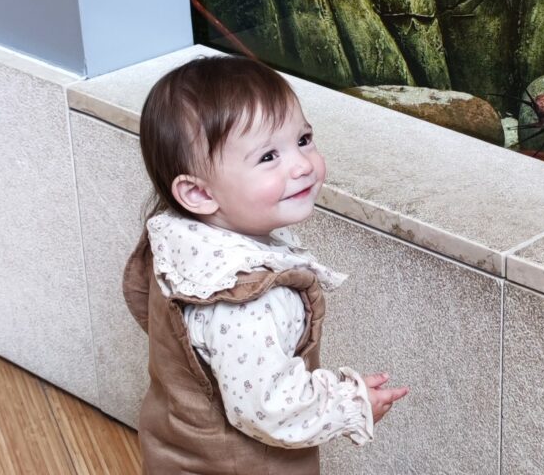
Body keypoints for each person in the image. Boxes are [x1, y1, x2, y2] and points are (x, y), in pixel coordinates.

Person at [122, 55, 409, 474]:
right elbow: (269, 410)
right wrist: (350, 404)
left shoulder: (179, 248)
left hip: (176, 450)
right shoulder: (246, 301)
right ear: (199, 195)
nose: (302, 164)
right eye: (268, 157)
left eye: (304, 139)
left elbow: (150, 311)